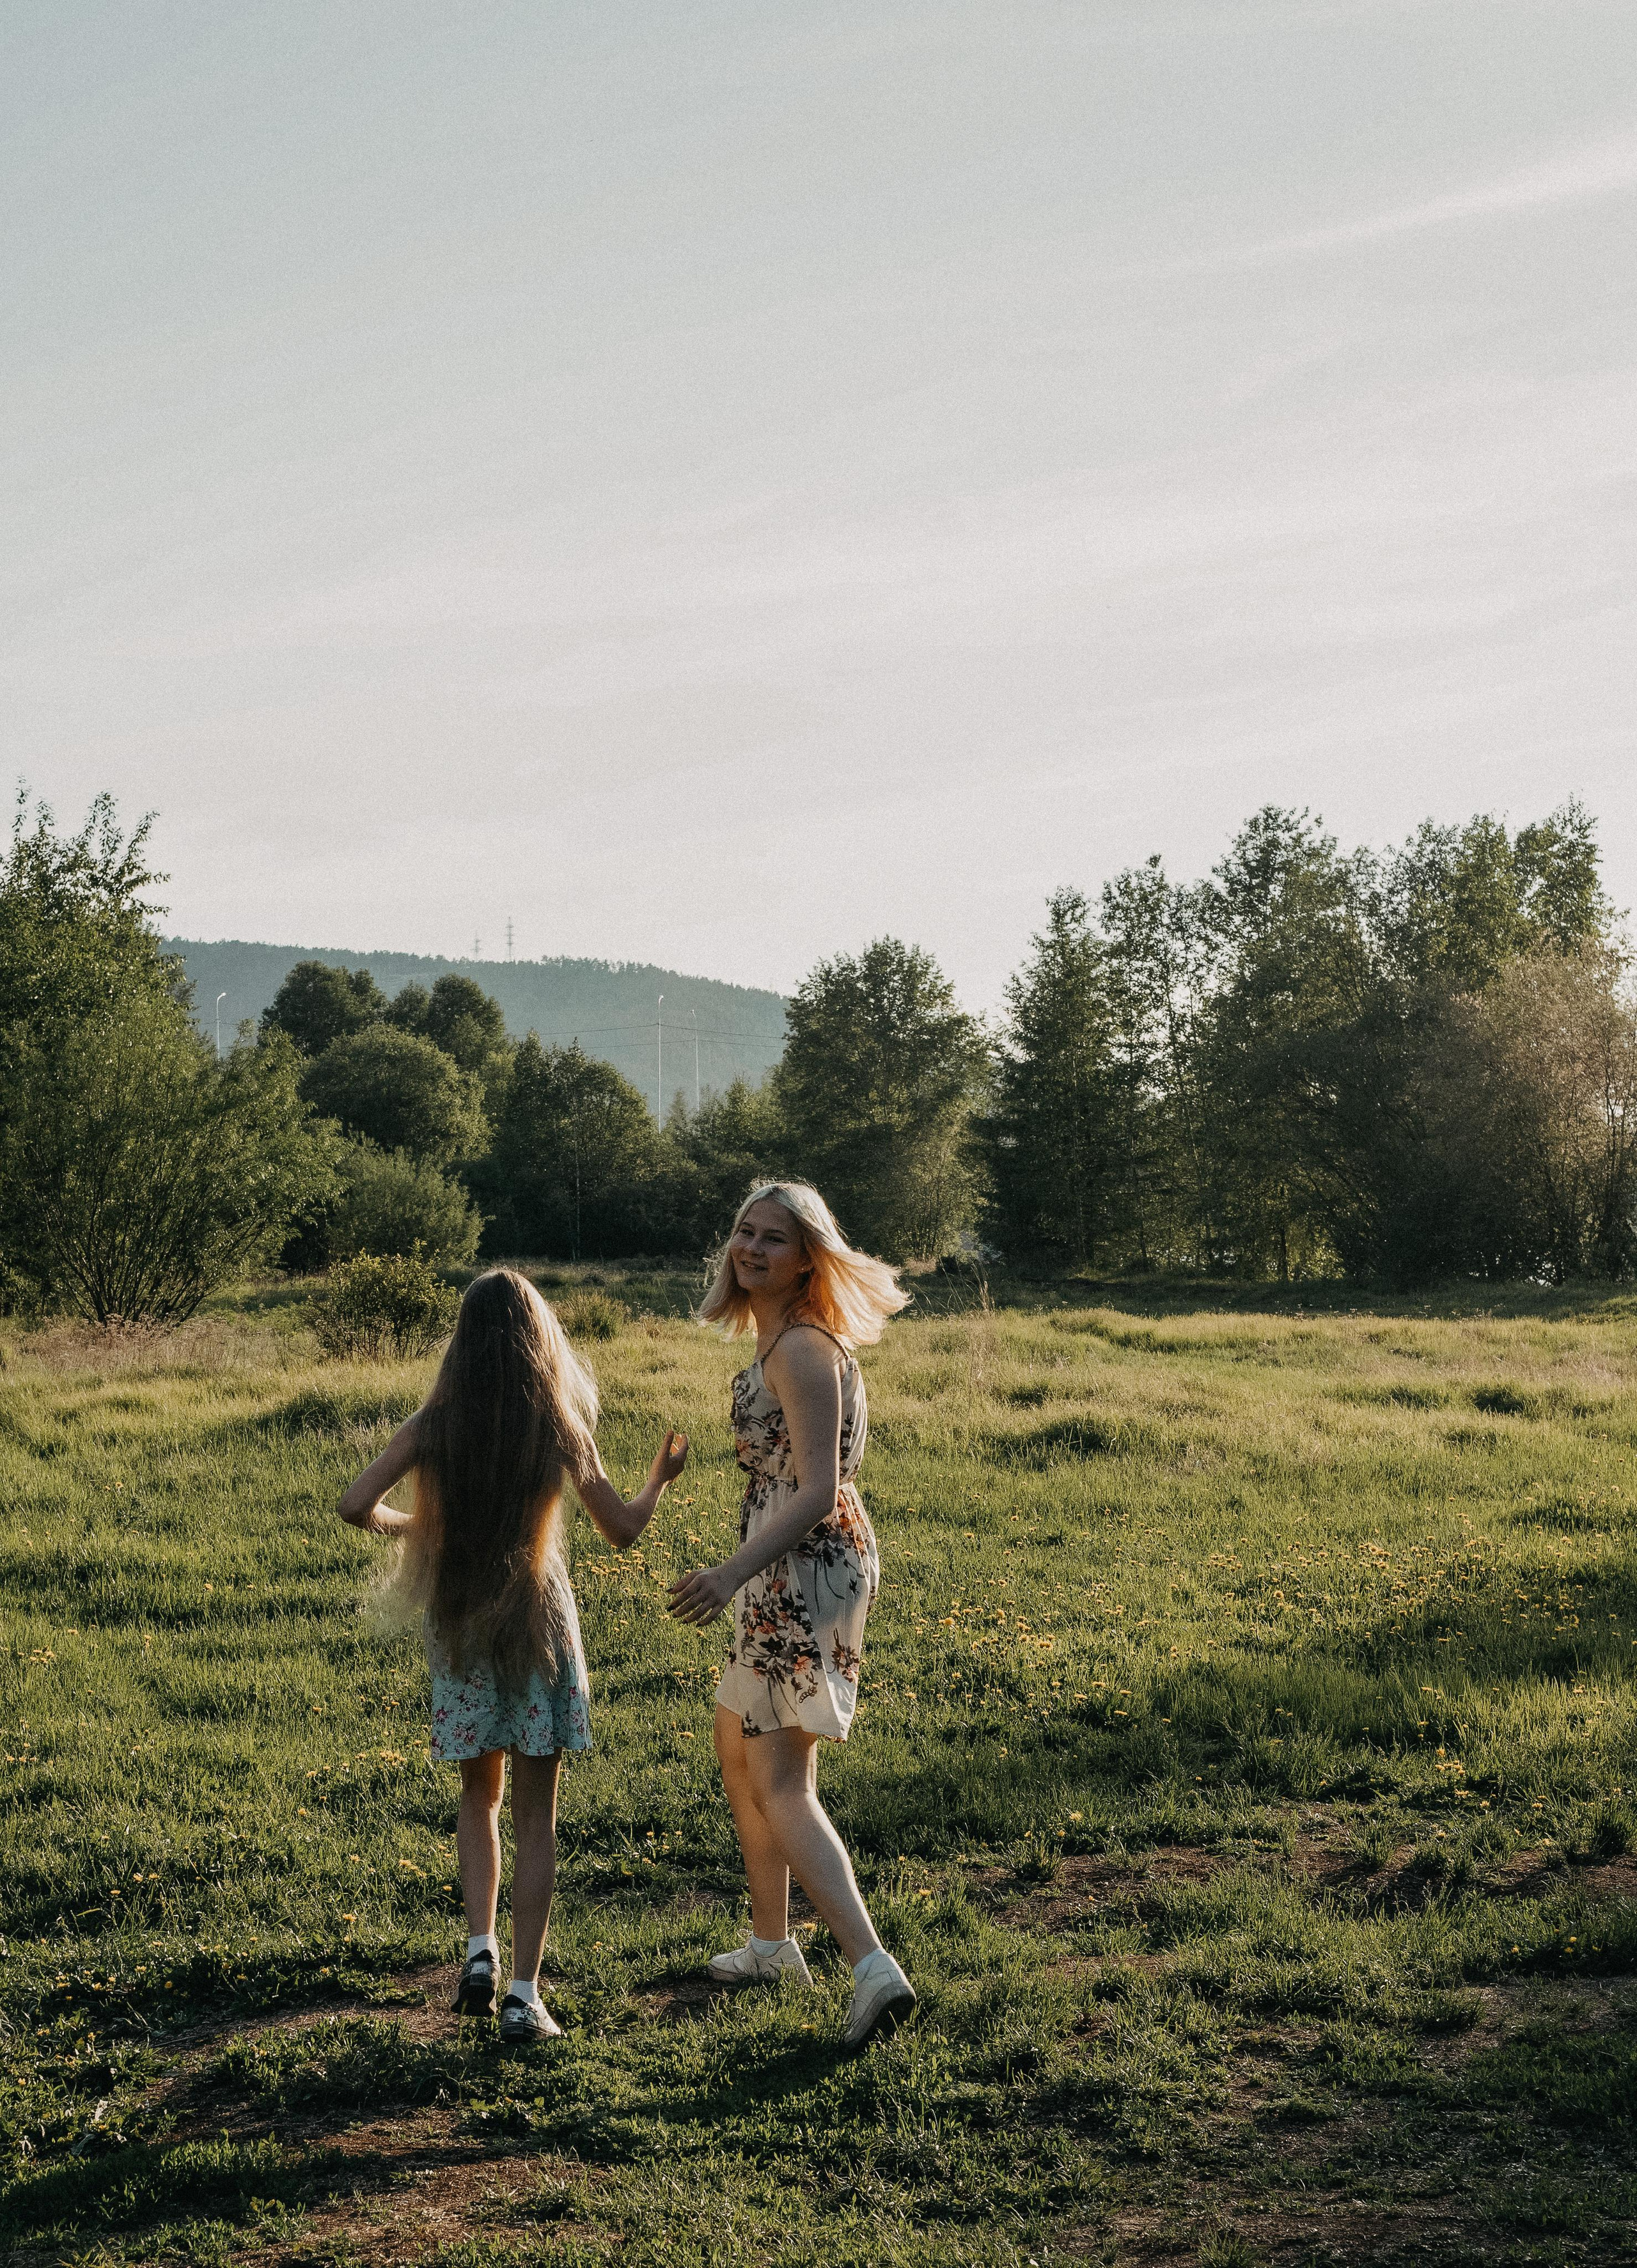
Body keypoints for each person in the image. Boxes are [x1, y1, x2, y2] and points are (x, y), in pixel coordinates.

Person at [338, 1267, 687, 2044]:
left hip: (461, 1624)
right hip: (539, 1625)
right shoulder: (558, 1424)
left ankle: (477, 1952)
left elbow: (354, 1505)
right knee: (537, 1816)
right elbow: (622, 1530)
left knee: (478, 1801)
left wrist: (422, 1530)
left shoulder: (435, 1425)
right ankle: (526, 1997)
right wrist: (658, 1480)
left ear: (462, 1343)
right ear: (541, 1339)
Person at [668, 1183, 915, 2050]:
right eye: (745, 1230)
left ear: (810, 1255)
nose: (753, 1247)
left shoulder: (804, 1350)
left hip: (797, 1568)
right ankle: (772, 1943)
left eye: (776, 1237)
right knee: (738, 1743)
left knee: (783, 1781)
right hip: (790, 1560)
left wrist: (730, 1574)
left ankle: (873, 1968)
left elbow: (814, 1491)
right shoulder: (782, 1337)